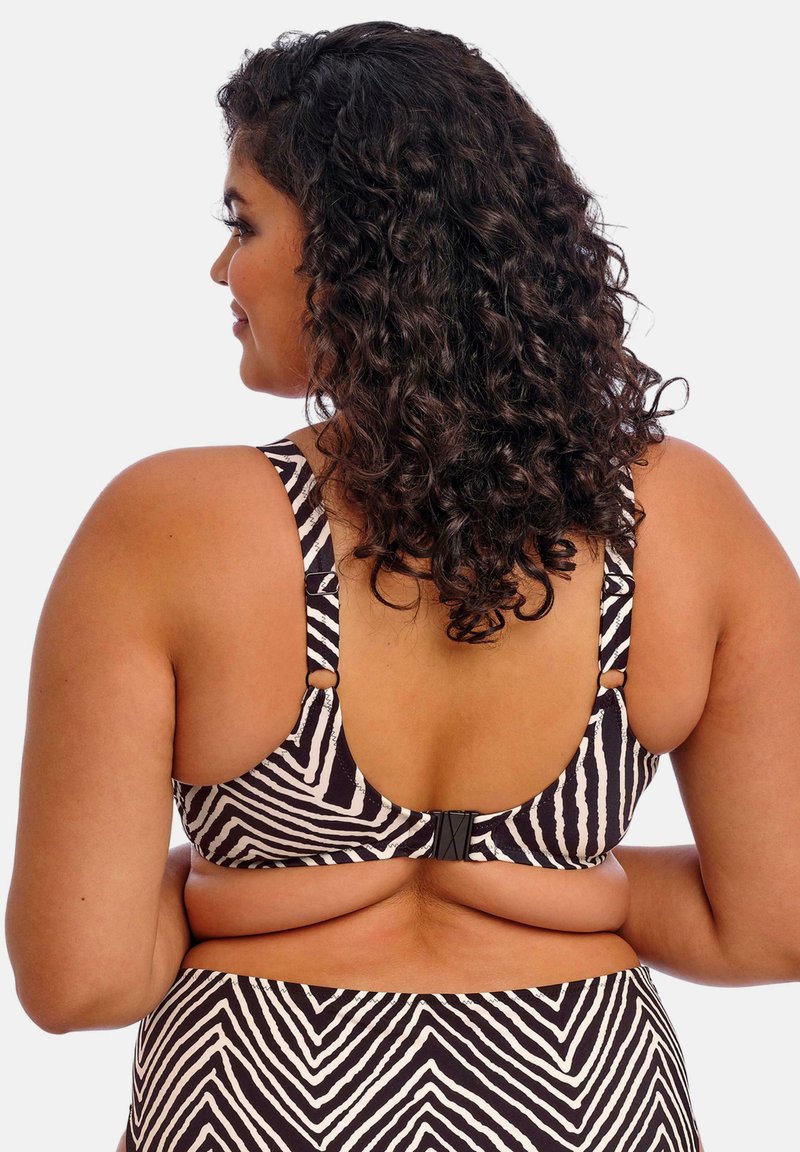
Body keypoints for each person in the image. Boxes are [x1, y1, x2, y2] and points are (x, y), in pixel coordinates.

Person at [6, 20, 799, 1152]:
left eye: (242, 223)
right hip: (580, 1100)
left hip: (262, 1102)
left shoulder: (166, 524)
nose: (220, 270)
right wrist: (565, 885)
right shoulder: (683, 516)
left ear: (354, 247)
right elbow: (772, 926)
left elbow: (80, 979)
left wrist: (241, 890)